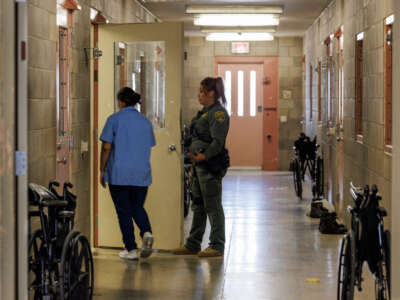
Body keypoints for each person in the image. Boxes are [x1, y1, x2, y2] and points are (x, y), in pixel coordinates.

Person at [173, 77, 230, 257]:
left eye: (201, 91)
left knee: (212, 205)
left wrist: (204, 155)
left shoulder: (218, 114)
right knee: (198, 205)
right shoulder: (205, 112)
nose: (198, 95)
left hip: (209, 165)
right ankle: (193, 243)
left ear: (211, 93)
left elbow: (218, 141)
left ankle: (217, 244)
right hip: (198, 166)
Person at [100, 87, 155, 260]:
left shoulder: (114, 120)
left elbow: (107, 147)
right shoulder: (145, 122)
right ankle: (146, 232)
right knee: (137, 207)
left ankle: (131, 249)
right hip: (141, 174)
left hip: (119, 174)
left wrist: (102, 170)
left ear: (121, 101)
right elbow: (149, 145)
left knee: (124, 211)